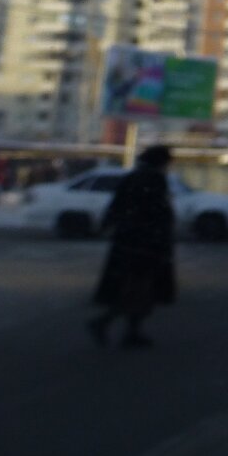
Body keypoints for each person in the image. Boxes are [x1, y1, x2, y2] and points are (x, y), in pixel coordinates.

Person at [89, 145, 176, 349]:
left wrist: (107, 226)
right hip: (145, 243)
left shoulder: (134, 177)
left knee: (134, 287)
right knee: (140, 289)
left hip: (129, 240)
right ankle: (114, 325)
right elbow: (158, 212)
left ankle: (123, 328)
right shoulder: (154, 180)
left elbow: (117, 205)